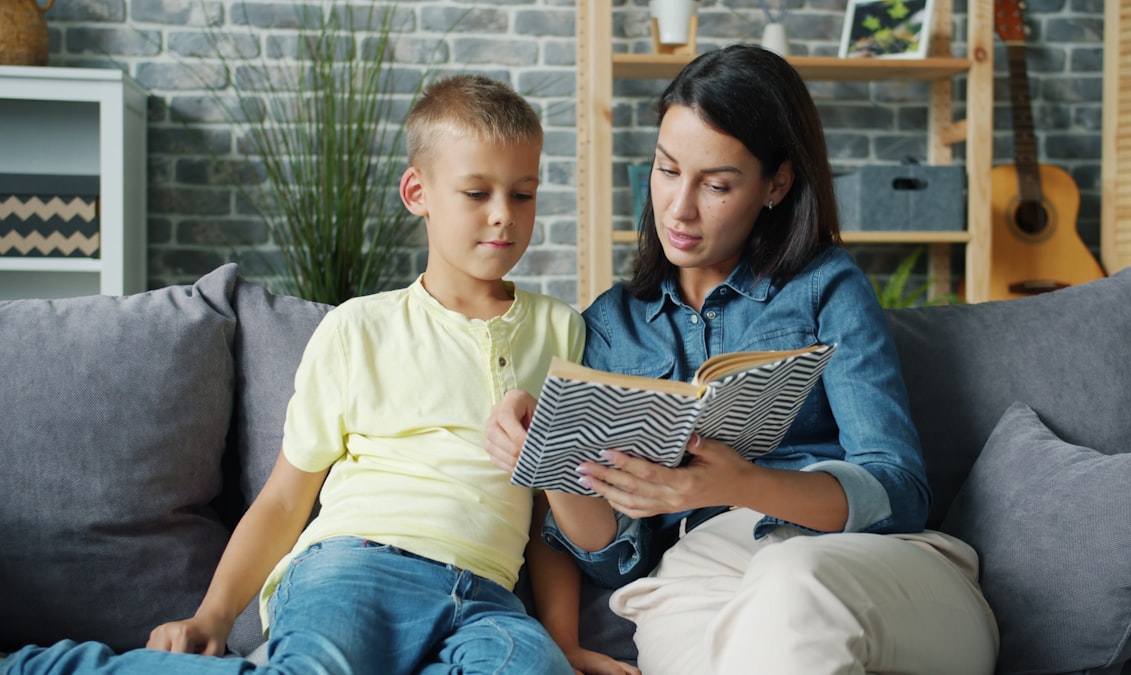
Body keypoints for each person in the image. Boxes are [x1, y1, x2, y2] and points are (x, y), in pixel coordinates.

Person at [2, 74, 637, 675]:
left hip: (487, 596)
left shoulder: (562, 332)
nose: (504, 214)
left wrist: (563, 643)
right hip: (359, 564)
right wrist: (214, 614)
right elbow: (284, 498)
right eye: (478, 193)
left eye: (522, 194)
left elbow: (545, 521)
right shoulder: (359, 327)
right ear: (417, 192)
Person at [485, 45, 999, 675]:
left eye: (718, 184)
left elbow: (899, 488)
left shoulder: (824, 286)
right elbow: (611, 558)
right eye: (667, 170)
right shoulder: (611, 326)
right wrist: (554, 457)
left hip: (860, 566)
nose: (679, 208)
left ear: (776, 184)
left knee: (790, 577)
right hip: (694, 580)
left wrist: (738, 483)